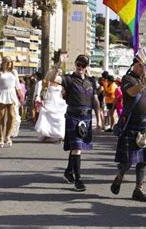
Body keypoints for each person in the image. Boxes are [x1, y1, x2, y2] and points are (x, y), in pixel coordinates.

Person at [110, 59, 146, 202]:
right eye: (140, 64)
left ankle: (138, 190)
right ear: (135, 65)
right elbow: (132, 92)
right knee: (129, 160)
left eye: (145, 65)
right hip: (133, 124)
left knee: (145, 160)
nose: (143, 67)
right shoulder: (128, 78)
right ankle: (119, 176)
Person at [49, 53, 101, 192]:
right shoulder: (69, 79)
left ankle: (68, 172)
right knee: (77, 148)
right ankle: (78, 179)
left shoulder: (91, 81)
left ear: (86, 67)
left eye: (83, 65)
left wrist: (100, 119)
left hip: (87, 118)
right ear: (75, 64)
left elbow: (95, 101)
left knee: (76, 149)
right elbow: (51, 78)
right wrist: (59, 63)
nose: (80, 67)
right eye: (78, 64)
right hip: (73, 116)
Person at [0, 57, 23, 147]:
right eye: (8, 62)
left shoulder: (14, 72)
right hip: (1, 93)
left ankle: (8, 136)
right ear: (3, 63)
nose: (9, 64)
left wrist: (21, 96)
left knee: (12, 115)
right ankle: (1, 137)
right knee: (1, 115)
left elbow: (17, 85)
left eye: (11, 62)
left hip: (11, 93)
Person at [34, 69, 67, 141]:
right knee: (48, 120)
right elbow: (41, 93)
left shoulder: (60, 84)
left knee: (60, 119)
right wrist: (41, 100)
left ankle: (59, 134)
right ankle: (47, 134)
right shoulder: (45, 82)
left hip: (59, 102)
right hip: (49, 101)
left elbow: (62, 94)